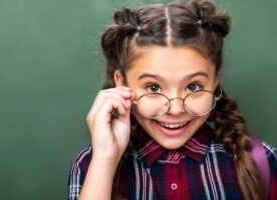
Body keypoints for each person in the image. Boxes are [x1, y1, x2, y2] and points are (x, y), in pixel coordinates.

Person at [67, 0, 277, 199]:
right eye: (153, 87)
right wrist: (105, 159)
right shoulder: (91, 166)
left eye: (193, 86)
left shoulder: (262, 161)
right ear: (122, 85)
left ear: (215, 82)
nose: (175, 109)